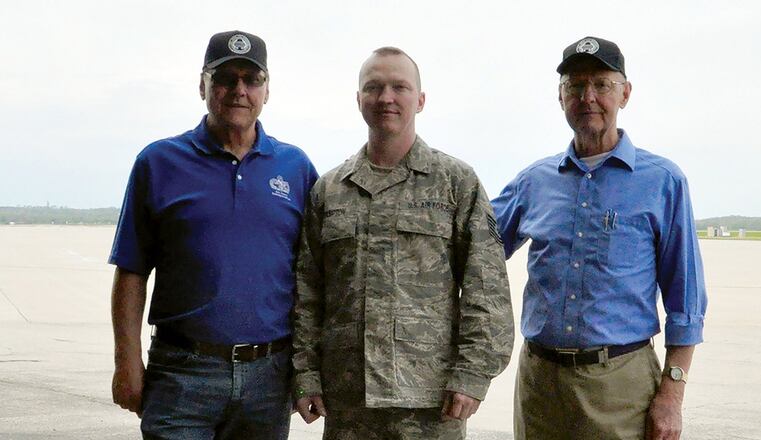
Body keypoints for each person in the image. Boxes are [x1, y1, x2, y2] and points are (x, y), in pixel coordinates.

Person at [291, 47, 514, 439]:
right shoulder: (329, 190)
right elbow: (307, 292)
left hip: (432, 402)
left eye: (400, 87)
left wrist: (473, 372)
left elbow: (486, 287)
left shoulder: (456, 182)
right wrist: (305, 374)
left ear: (421, 99)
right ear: (358, 99)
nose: (386, 98)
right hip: (348, 402)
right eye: (373, 87)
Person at [492, 36, 708, 440]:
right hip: (540, 387)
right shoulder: (533, 182)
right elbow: (474, 247)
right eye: (574, 86)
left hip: (621, 388)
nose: (587, 97)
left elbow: (687, 299)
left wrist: (672, 395)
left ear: (625, 93)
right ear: (560, 98)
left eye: (601, 84)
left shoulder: (663, 181)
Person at [109, 30, 318, 439]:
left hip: (268, 377)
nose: (239, 90)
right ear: (203, 84)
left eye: (251, 79)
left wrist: (308, 370)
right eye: (226, 78)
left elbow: (312, 279)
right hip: (182, 375)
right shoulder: (159, 162)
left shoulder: (296, 168)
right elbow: (131, 270)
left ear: (267, 90)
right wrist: (127, 360)